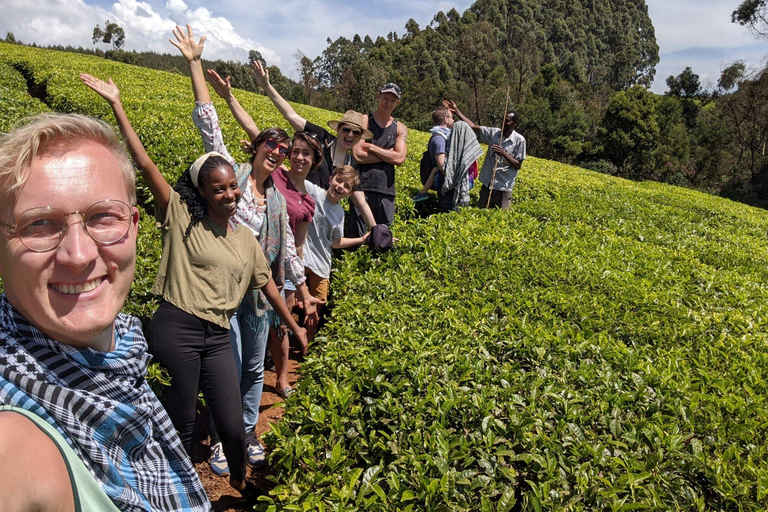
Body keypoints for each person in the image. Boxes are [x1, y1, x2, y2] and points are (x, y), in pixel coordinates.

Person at [80, 72, 306, 499]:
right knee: (182, 421)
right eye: (217, 189)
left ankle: (239, 480)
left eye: (232, 187)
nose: (228, 195)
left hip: (218, 333)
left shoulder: (243, 237)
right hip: (177, 326)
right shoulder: (182, 216)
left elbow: (269, 286)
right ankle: (176, 494)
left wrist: (293, 329)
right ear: (202, 192)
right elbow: (145, 165)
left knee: (234, 418)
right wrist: (117, 105)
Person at [0, 112, 211, 511]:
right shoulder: (12, 438)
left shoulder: (122, 361)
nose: (78, 255)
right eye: (39, 225)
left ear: (133, 226)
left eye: (102, 216)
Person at [170, 24, 320, 473]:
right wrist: (195, 64)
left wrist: (303, 290)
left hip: (259, 297)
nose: (277, 152)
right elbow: (208, 123)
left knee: (253, 369)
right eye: (270, 146)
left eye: (283, 148)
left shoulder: (276, 198)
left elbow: (288, 253)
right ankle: (222, 438)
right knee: (227, 373)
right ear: (255, 148)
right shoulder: (230, 179)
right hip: (221, 294)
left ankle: (248, 429)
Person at [303, 165, 370, 343]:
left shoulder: (340, 213)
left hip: (322, 265)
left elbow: (335, 242)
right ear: (331, 178)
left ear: (349, 194)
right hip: (300, 260)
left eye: (347, 186)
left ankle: (306, 347)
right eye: (339, 181)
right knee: (290, 305)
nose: (340, 187)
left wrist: (361, 239)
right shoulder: (312, 191)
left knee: (316, 310)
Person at [350, 82, 409, 237]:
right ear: (378, 96)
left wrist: (371, 148)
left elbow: (400, 158)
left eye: (392, 100)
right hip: (361, 187)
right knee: (358, 235)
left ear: (398, 103)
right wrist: (388, 155)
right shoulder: (363, 121)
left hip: (386, 191)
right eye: (385, 98)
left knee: (382, 237)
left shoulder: (400, 128)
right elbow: (357, 155)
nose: (388, 103)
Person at [443, 100, 526, 209]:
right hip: (487, 184)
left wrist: (504, 153)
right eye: (502, 120)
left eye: (507, 121)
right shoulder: (493, 133)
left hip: (503, 187)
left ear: (515, 123)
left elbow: (517, 165)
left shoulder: (520, 141)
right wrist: (457, 111)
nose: (503, 123)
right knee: (482, 212)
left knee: (501, 219)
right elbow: (473, 127)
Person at [413, 106, 455, 207]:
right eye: (452, 117)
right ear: (446, 119)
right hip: (444, 188)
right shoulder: (439, 140)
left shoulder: (444, 136)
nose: (453, 120)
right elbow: (442, 166)